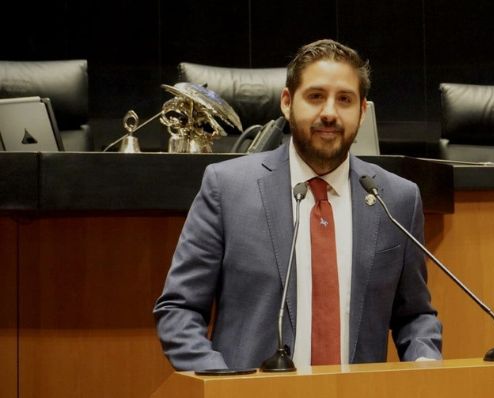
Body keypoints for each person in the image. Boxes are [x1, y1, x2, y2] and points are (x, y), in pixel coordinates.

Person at [153, 39, 443, 371]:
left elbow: (414, 314)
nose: (330, 113)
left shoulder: (396, 198)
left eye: (344, 100)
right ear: (287, 103)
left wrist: (424, 360)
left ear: (363, 112)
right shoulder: (227, 188)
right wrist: (220, 380)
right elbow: (180, 308)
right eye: (316, 96)